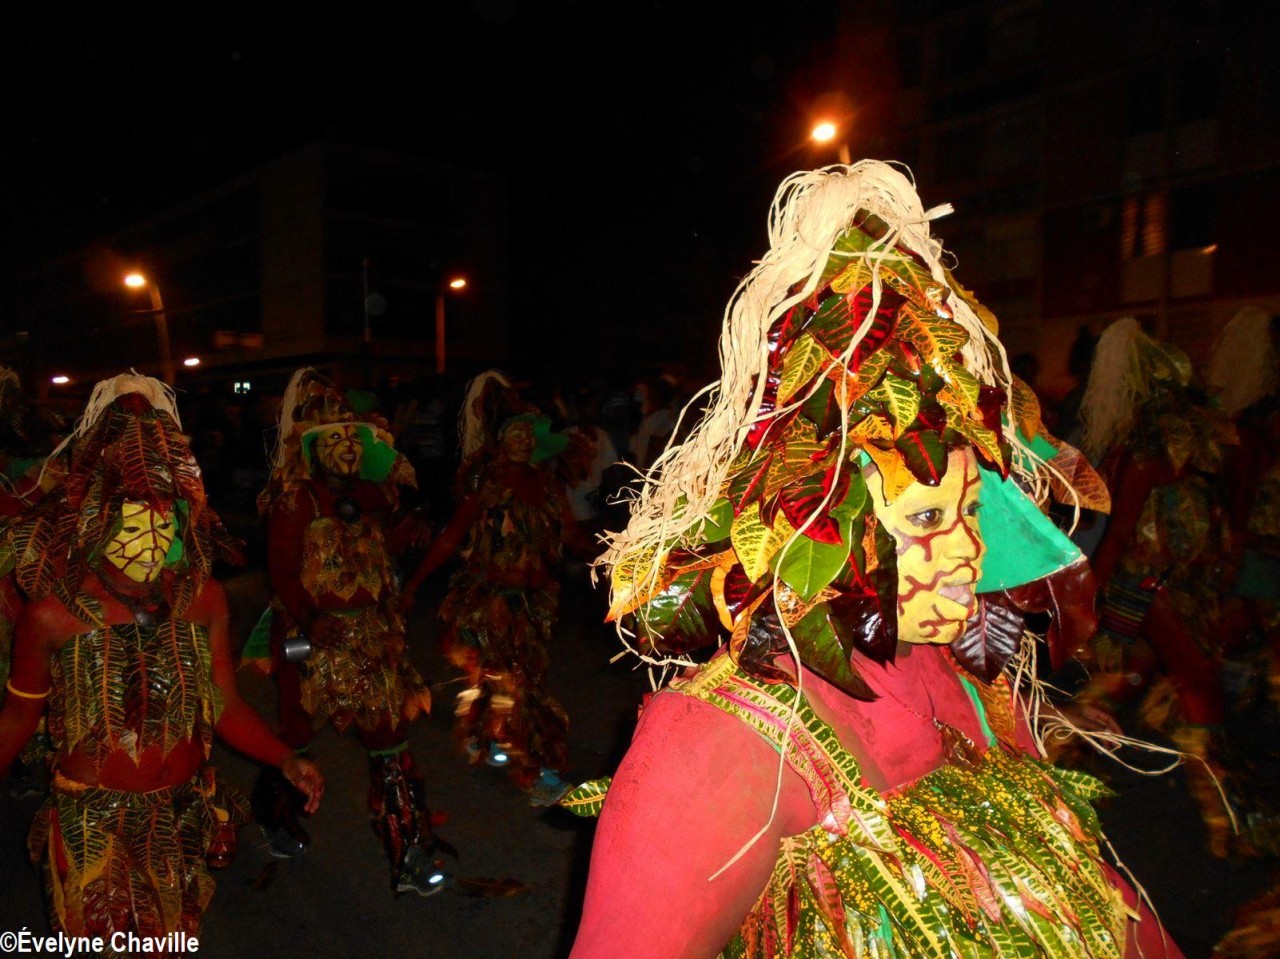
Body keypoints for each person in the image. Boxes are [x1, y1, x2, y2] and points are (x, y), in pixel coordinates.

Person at [566, 162, 1181, 958]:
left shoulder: (967, 672)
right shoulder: (717, 744)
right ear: (822, 528)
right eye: (926, 515)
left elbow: (1093, 885)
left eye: (971, 510)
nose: (970, 548)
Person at [0, 373, 322, 946]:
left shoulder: (203, 599)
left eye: (164, 517)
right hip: (92, 822)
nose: (151, 536)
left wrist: (285, 759)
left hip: (179, 815)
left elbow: (223, 704)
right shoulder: (54, 613)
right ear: (98, 519)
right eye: (133, 517)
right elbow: (19, 718)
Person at [249, 368, 444, 895]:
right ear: (313, 450)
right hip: (311, 639)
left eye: (354, 439)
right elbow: (282, 573)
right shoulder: (296, 501)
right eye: (333, 440)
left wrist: (406, 535)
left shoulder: (373, 496)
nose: (348, 448)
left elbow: (375, 556)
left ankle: (409, 850)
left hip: (372, 637)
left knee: (390, 740)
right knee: (298, 735)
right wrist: (312, 621)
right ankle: (274, 813)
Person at [1077, 318, 1244, 856]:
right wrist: (1089, 597)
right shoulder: (1146, 450)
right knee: (1198, 681)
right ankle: (1225, 818)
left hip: (1180, 582)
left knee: (1131, 676)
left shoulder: (1185, 442)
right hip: (1150, 585)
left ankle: (1058, 751)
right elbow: (1121, 529)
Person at [401, 371, 592, 805]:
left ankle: (486, 729)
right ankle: (534, 772)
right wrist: (412, 584)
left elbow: (572, 537)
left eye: (529, 432)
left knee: (514, 677)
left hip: (534, 603)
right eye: (515, 431)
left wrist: (616, 555)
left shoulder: (548, 486)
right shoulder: (487, 486)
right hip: (489, 597)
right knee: (519, 684)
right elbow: (450, 538)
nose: (524, 439)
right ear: (500, 440)